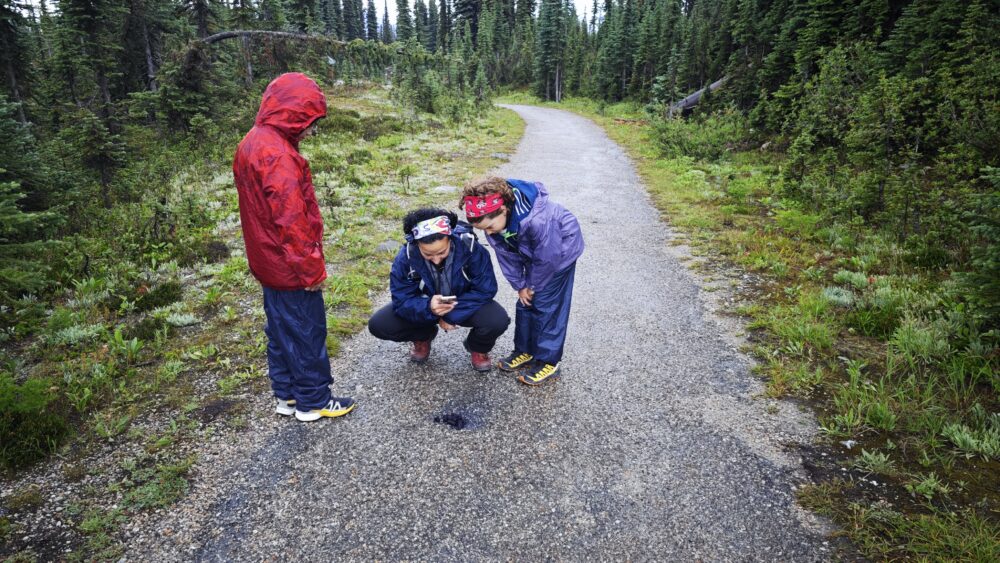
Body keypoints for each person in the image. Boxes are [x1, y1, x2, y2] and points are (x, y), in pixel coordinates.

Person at [232, 72, 355, 422]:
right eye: (309, 120)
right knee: (306, 330)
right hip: (289, 264)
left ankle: (286, 395)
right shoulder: (276, 154)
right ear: (292, 112)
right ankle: (313, 400)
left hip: (268, 262)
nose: (311, 129)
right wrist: (311, 269)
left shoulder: (253, 142)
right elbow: (292, 221)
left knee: (281, 330)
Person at [460, 177, 584, 386]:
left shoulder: (539, 221)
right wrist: (520, 285)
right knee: (525, 303)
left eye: (490, 226)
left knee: (546, 306)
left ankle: (548, 361)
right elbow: (506, 256)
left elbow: (547, 259)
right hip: (531, 252)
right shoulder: (494, 225)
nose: (488, 233)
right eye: (483, 230)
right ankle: (525, 350)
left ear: (504, 210)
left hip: (559, 254)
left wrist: (533, 286)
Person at [368, 208, 510, 371]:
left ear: (451, 238)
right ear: (416, 244)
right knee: (379, 325)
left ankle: (477, 347)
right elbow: (401, 300)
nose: (436, 259)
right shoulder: (405, 258)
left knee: (497, 320)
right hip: (425, 305)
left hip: (462, 302)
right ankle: (423, 336)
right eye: (428, 254)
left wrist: (451, 316)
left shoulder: (471, 249)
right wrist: (428, 307)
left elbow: (485, 289)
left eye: (442, 252)